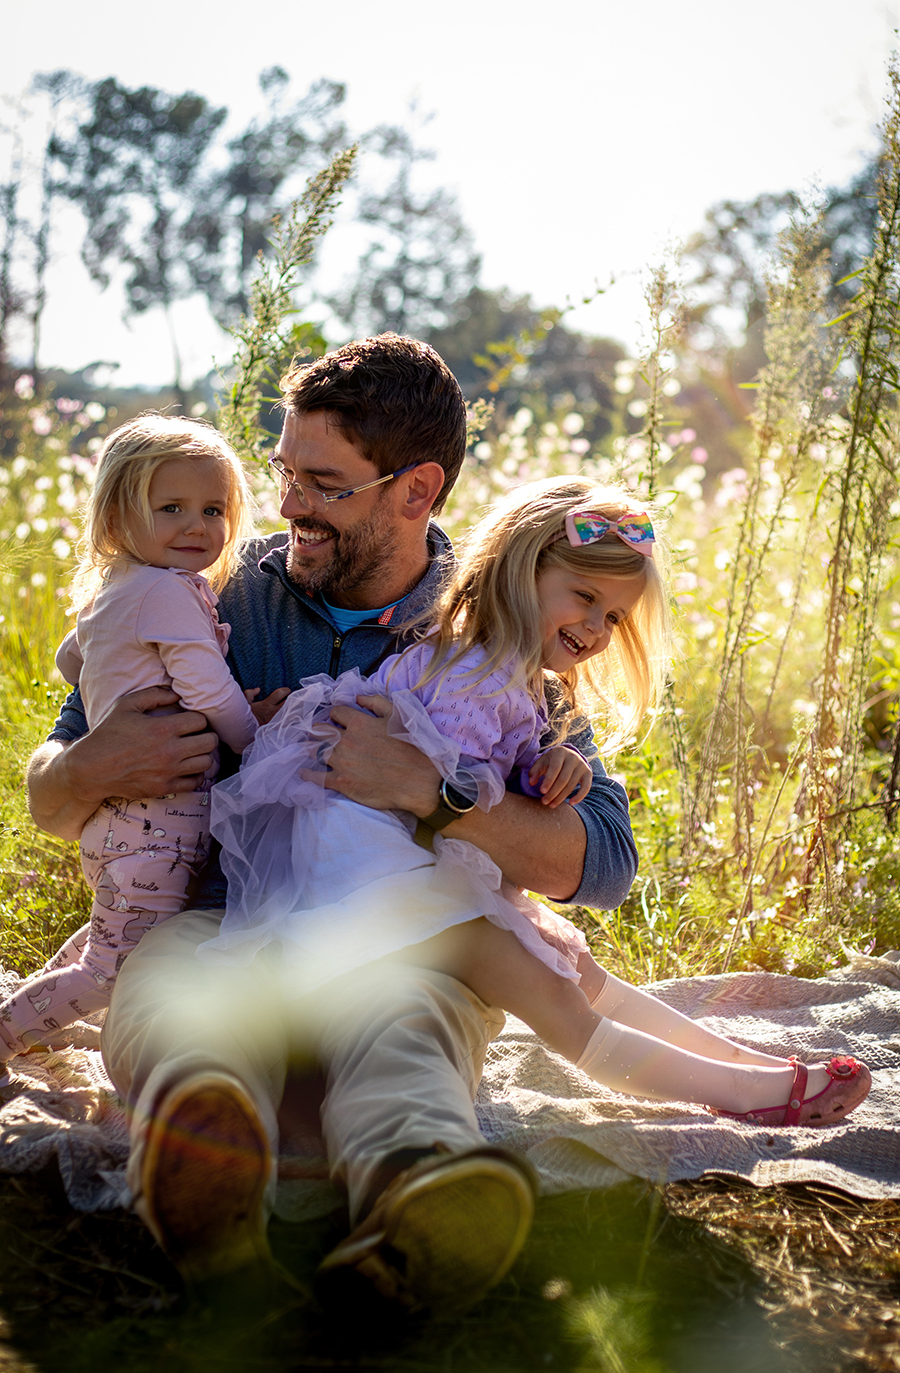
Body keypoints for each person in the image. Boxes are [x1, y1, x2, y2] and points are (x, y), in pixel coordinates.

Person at [24, 335, 639, 1310]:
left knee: (409, 1021)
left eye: (321, 481)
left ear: (415, 489)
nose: (284, 504)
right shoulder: (211, 585)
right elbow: (48, 792)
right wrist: (95, 765)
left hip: (408, 933)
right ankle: (204, 1173)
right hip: (223, 919)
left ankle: (422, 1194)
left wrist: (437, 799)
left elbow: (602, 862)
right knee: (173, 996)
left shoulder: (495, 626)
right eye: (283, 471)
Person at [203, 476, 871, 1128]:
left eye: (612, 615)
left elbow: (494, 791)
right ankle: (748, 1091)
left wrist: (556, 762)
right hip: (368, 876)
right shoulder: (473, 673)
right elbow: (447, 798)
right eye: (583, 596)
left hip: (396, 863)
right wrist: (517, 797)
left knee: (572, 964)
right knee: (553, 991)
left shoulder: (513, 676)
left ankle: (754, 1066)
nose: (597, 628)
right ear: (521, 571)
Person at [0, 416, 259, 1082]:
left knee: (110, 934)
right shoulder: (168, 593)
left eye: (212, 509)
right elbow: (207, 689)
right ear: (118, 514)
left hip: (117, 823)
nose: (197, 527)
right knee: (116, 964)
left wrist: (120, 678)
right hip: (157, 818)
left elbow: (68, 660)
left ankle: (32, 1014)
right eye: (170, 508)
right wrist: (257, 744)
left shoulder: (113, 590)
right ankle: (7, 1036)